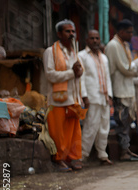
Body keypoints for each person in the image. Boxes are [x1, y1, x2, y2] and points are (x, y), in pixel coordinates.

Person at [43, 19, 83, 171]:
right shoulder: (50, 51)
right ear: (59, 34)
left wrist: (78, 73)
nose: (72, 34)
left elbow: (79, 74)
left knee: (73, 131)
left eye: (73, 31)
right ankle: (58, 159)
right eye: (68, 31)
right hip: (58, 99)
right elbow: (50, 75)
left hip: (74, 98)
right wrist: (72, 73)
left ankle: (73, 158)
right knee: (58, 132)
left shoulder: (74, 51)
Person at [105, 19, 138, 161]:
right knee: (121, 123)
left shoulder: (125, 45)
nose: (131, 35)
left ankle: (126, 150)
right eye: (129, 32)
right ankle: (124, 152)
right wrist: (135, 69)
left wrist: (133, 68)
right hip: (119, 90)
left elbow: (129, 67)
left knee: (126, 123)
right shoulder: (113, 45)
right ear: (121, 32)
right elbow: (126, 68)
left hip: (127, 89)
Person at [78, 29, 113, 165]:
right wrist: (84, 96)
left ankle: (102, 154)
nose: (95, 41)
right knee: (90, 127)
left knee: (104, 127)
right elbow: (81, 78)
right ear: (87, 40)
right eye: (92, 38)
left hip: (104, 97)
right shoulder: (82, 56)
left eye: (97, 38)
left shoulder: (104, 57)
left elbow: (108, 78)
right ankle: (82, 155)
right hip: (92, 97)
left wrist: (109, 95)